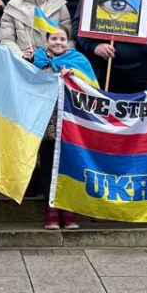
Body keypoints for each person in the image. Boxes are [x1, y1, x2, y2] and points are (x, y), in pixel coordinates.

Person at [32, 25, 93, 230]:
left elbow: (93, 87)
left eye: (62, 39)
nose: (58, 43)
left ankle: (68, 211)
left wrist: (75, 75)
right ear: (46, 41)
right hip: (46, 125)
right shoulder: (37, 60)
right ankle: (51, 210)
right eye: (54, 39)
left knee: (69, 168)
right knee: (48, 167)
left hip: (71, 127)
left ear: (68, 42)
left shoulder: (78, 61)